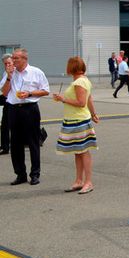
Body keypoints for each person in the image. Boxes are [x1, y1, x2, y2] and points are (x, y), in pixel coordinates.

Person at [1, 48, 50, 185]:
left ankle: (35, 174)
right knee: (15, 144)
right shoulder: (10, 73)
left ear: (24, 59)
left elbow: (45, 90)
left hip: (30, 109)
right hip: (14, 109)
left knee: (33, 142)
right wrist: (9, 76)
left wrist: (30, 94)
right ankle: (20, 174)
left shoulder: (36, 72)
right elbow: (4, 93)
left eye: (16, 58)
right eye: (13, 58)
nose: (13, 61)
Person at [52, 57, 99, 194]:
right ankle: (79, 180)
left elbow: (81, 102)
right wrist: (94, 113)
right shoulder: (84, 80)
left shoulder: (79, 82)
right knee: (78, 152)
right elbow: (89, 99)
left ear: (71, 68)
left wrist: (63, 99)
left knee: (83, 152)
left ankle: (88, 181)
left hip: (78, 120)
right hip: (76, 119)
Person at [0, 54, 11, 155]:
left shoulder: (13, 73)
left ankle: (5, 146)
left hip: (10, 100)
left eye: (9, 63)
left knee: (6, 125)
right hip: (5, 98)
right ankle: (4, 145)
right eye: (5, 63)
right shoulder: (5, 72)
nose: (7, 65)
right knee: (4, 125)